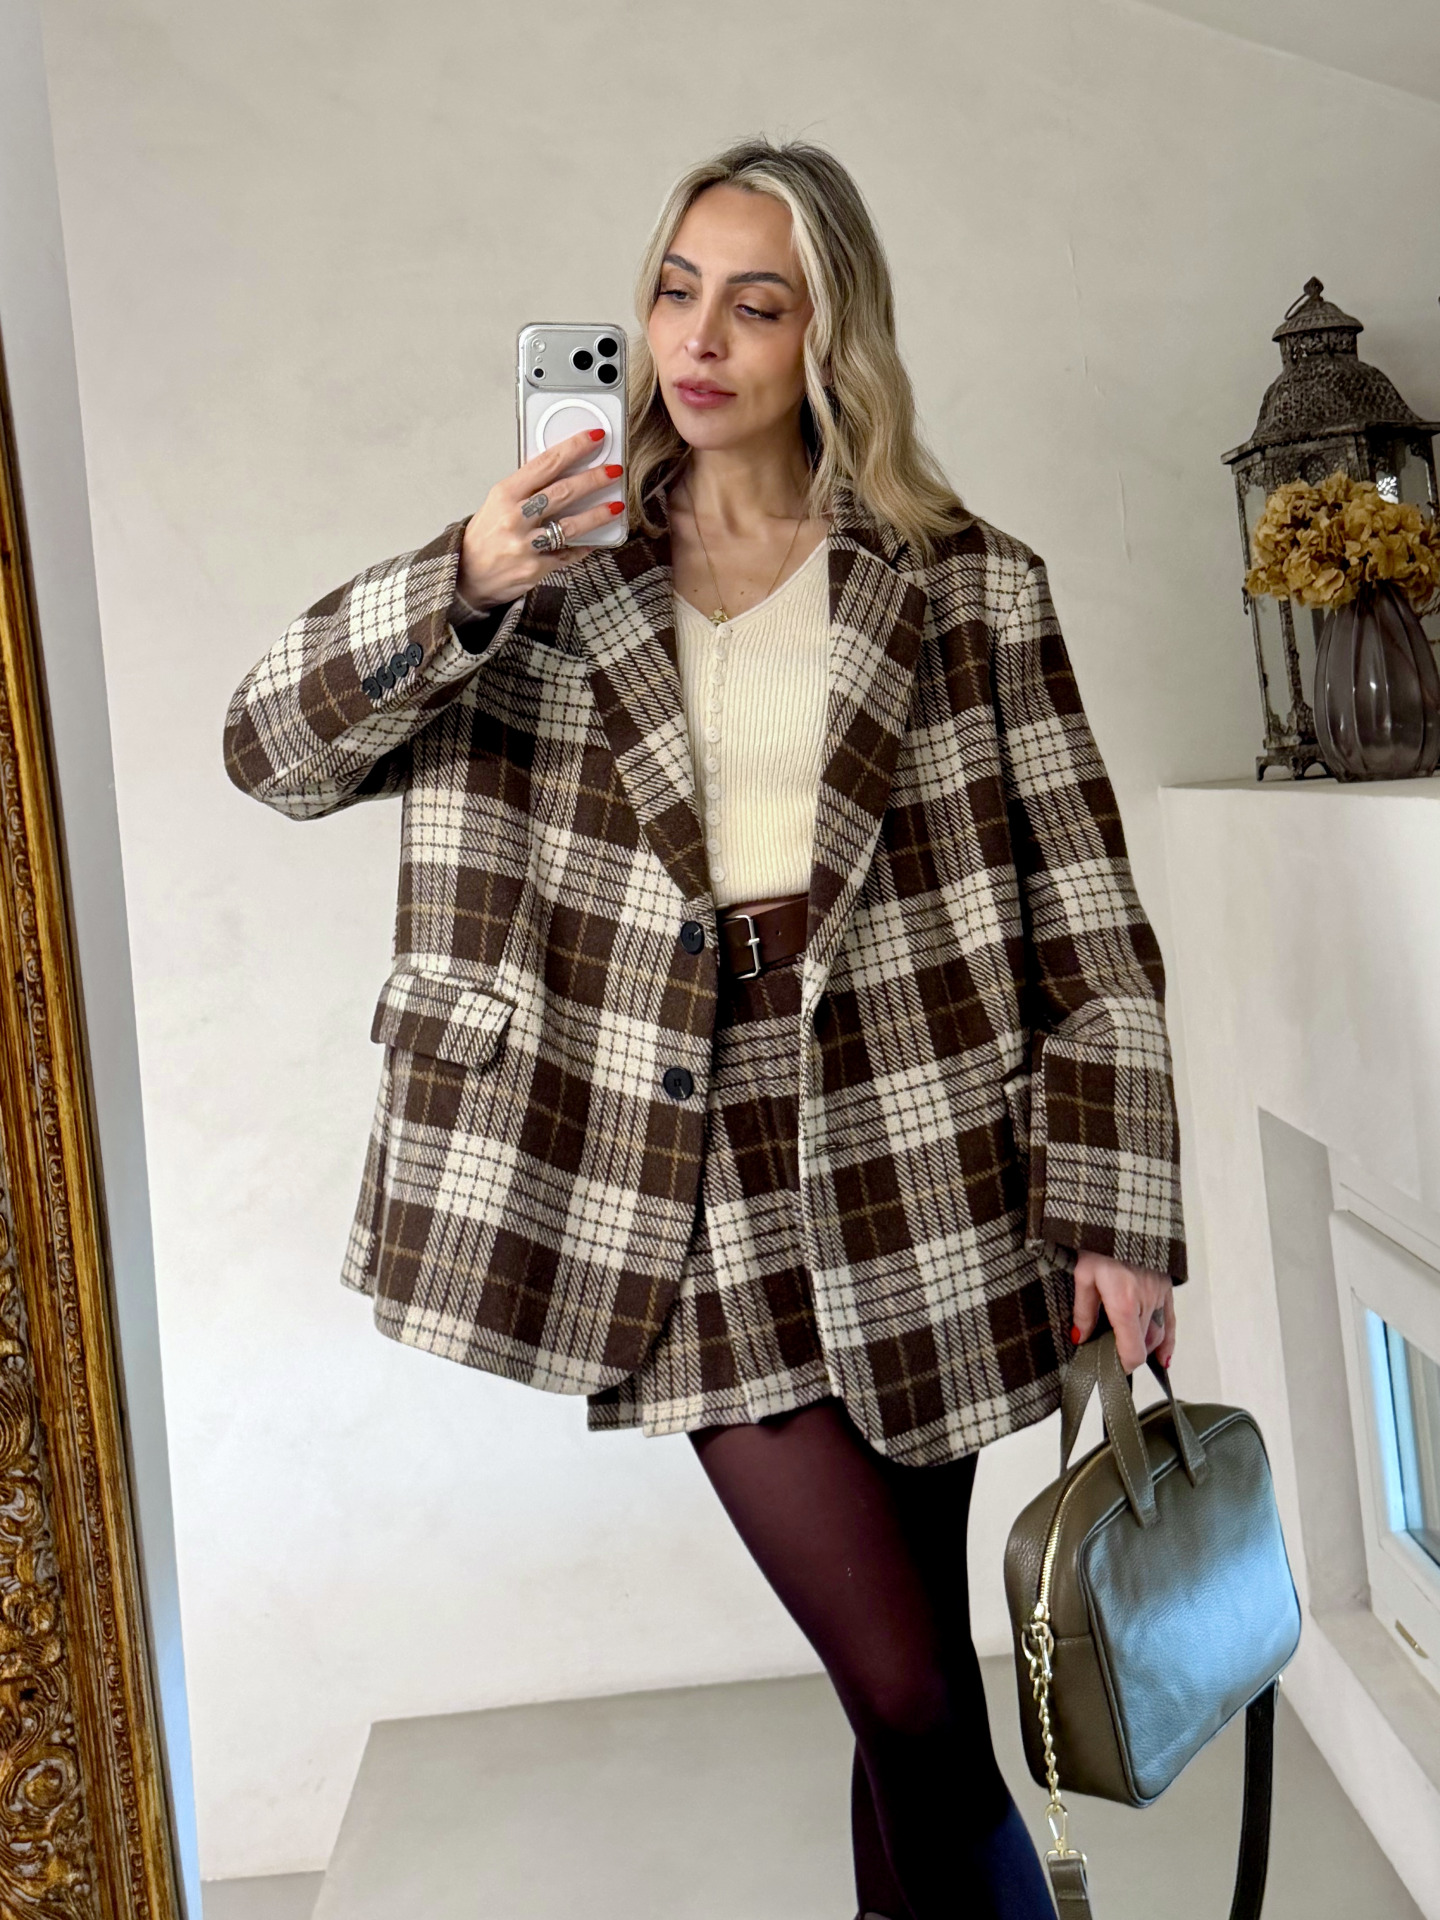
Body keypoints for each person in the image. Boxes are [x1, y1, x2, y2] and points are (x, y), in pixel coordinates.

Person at [225, 137, 1185, 1920]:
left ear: (833, 336)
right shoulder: (540, 576)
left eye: (757, 303)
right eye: (676, 290)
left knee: (896, 1693)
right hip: (668, 1169)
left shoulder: (968, 584)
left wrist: (1120, 1209)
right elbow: (266, 750)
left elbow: (1089, 912)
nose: (700, 338)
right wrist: (465, 574)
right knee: (914, 1694)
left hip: (924, 1146)